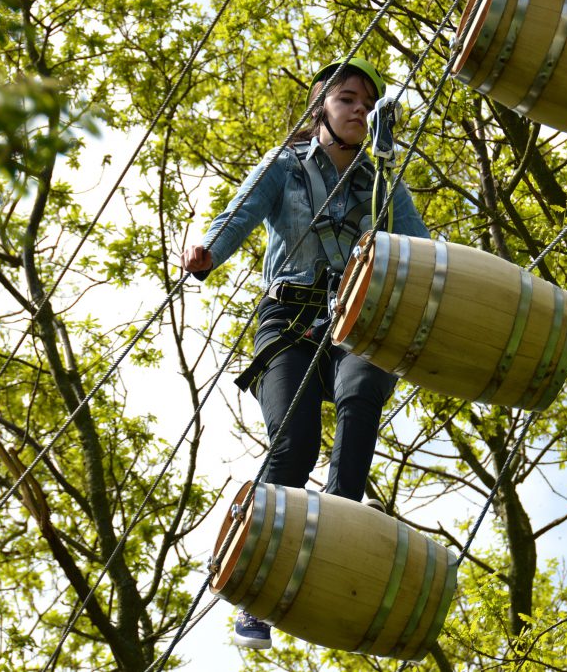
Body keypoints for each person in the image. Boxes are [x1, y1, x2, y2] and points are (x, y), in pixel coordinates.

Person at [181, 56, 430, 650]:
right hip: (289, 316)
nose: (359, 112)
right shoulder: (285, 168)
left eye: (368, 106)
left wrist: (389, 168)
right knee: (294, 444)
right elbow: (238, 214)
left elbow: (420, 251)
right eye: (347, 100)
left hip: (355, 320)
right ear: (322, 106)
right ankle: (250, 590)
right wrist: (208, 253)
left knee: (363, 390)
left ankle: (335, 521)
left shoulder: (381, 181)